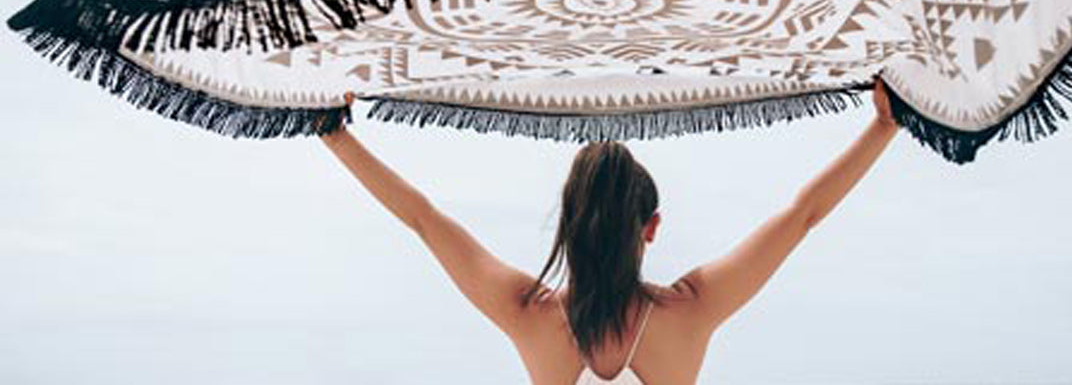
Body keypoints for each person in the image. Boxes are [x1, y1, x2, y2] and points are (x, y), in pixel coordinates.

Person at [320, 76, 899, 384]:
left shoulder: (529, 315)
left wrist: (334, 134)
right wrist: (884, 126)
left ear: (568, 221)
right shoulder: (690, 309)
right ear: (651, 227)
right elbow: (802, 215)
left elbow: (424, 219)